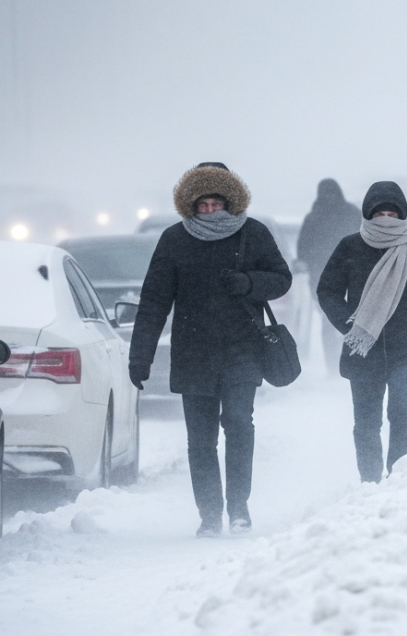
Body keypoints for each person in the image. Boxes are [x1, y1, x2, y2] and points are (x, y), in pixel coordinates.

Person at [129, 162, 292, 538]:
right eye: (202, 205)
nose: (209, 211)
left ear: (230, 201)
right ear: (190, 204)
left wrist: (249, 282)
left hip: (242, 348)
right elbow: (154, 301)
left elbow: (282, 279)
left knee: (239, 423)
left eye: (216, 203)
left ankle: (238, 509)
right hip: (194, 350)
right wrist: (140, 356)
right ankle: (209, 514)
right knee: (200, 439)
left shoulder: (253, 233)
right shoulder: (174, 239)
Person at [317, 182, 407, 482]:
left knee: (401, 410)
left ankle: (400, 479)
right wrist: (350, 324)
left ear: (402, 214)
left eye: (392, 214)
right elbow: (327, 291)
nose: (386, 219)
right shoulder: (350, 247)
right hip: (363, 348)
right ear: (368, 214)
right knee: (366, 421)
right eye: (379, 214)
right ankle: (370, 483)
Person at [297, 179, 363, 374]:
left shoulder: (313, 216)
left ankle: (335, 367)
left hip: (325, 276)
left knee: (331, 321)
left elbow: (303, 250)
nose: (330, 198)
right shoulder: (351, 213)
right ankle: (349, 364)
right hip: (347, 274)